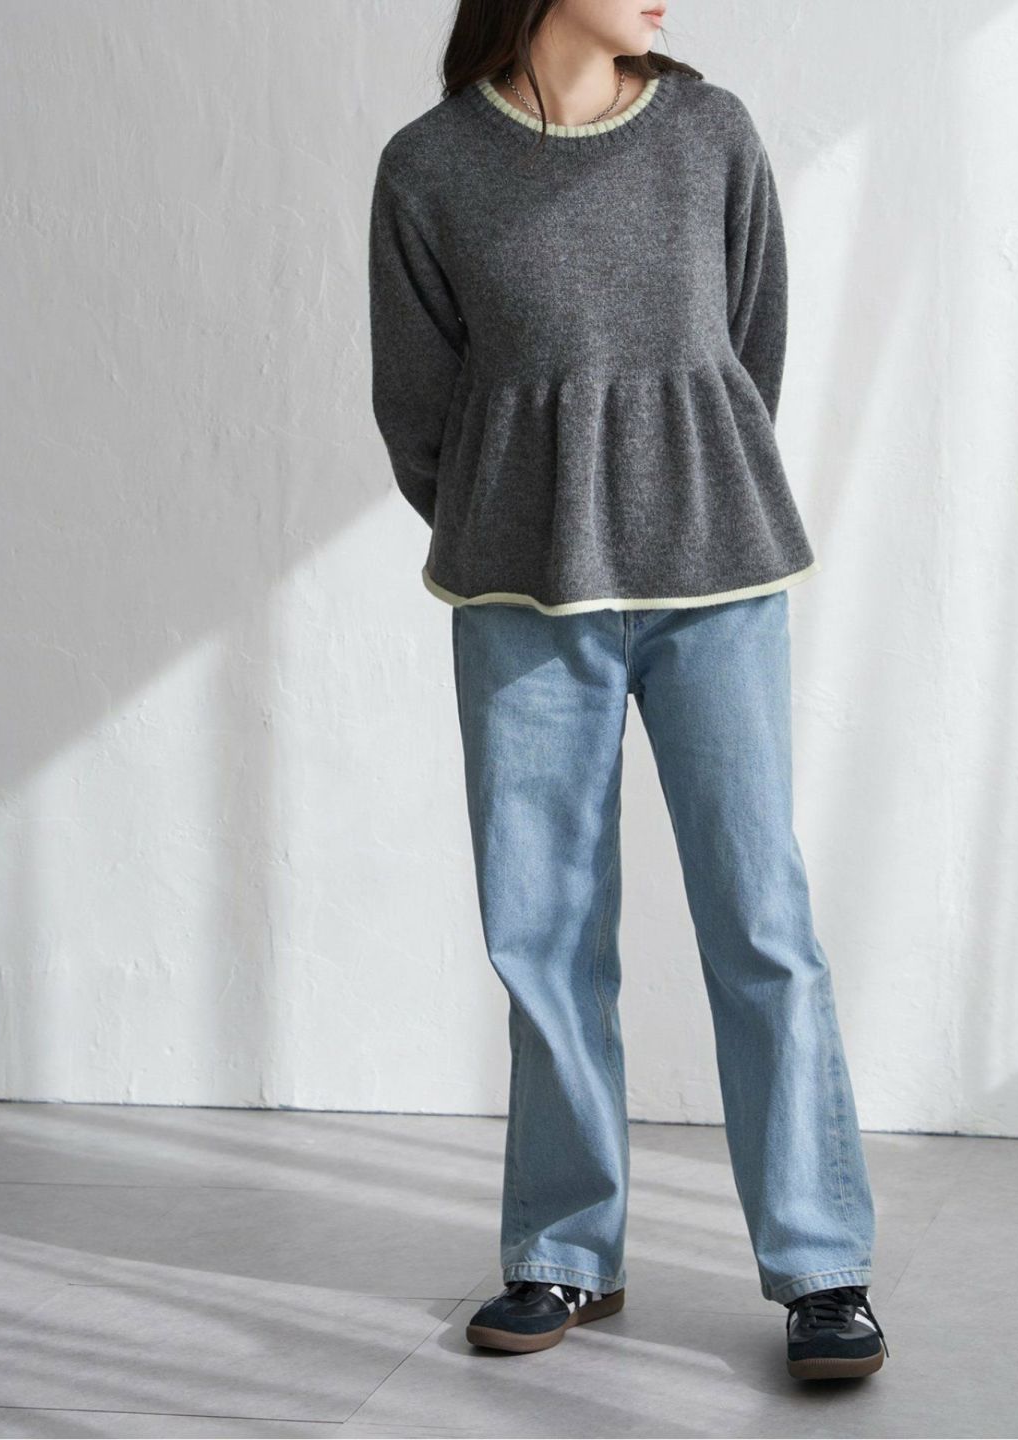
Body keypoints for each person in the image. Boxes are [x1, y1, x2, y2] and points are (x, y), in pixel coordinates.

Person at [368, 0, 889, 1383]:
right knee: (542, 930)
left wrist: (683, 483)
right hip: (521, 591)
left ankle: (822, 1268)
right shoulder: (431, 167)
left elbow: (750, 351)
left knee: (760, 917)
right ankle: (562, 1250)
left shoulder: (710, 132)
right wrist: (515, 513)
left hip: (718, 576)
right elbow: (417, 409)